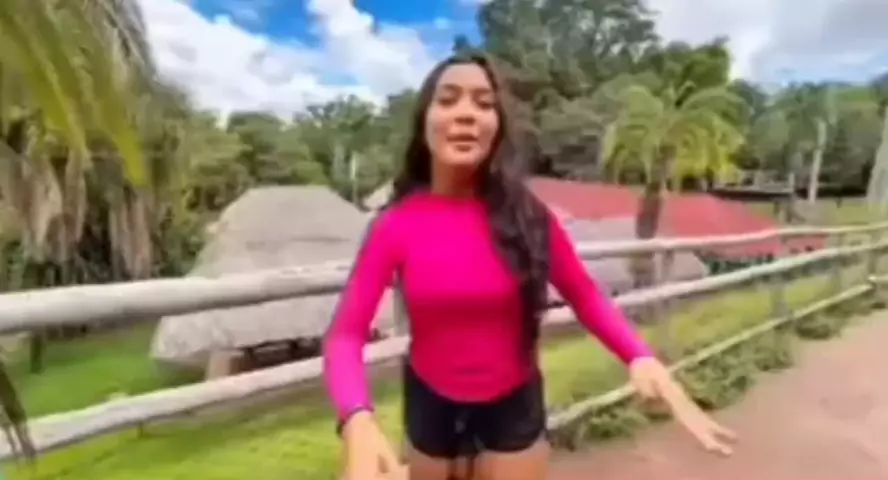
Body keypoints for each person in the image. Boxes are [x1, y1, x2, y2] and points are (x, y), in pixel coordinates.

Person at [322, 53, 736, 480]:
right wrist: (356, 417)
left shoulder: (529, 216)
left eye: (484, 103)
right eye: (448, 99)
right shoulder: (394, 225)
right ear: (424, 122)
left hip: (513, 403)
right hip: (430, 402)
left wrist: (640, 356)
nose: (466, 113)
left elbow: (585, 296)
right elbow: (345, 334)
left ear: (497, 127)